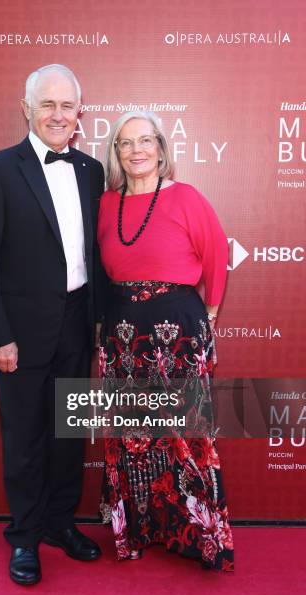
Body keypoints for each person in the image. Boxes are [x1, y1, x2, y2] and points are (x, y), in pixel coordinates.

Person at [0, 64, 105, 585]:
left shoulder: (91, 171)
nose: (58, 114)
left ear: (79, 114)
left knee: (69, 436)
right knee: (24, 439)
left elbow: (99, 254)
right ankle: (24, 536)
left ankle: (59, 524)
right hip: (18, 335)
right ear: (27, 110)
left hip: (77, 324)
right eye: (47, 104)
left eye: (67, 105)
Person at [97, 111, 234, 571]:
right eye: (125, 143)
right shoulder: (104, 204)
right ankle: (137, 530)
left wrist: (210, 312)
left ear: (161, 146)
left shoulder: (186, 198)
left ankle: (199, 536)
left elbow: (216, 254)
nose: (136, 150)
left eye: (145, 140)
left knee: (183, 435)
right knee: (132, 435)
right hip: (121, 334)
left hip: (176, 332)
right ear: (115, 153)